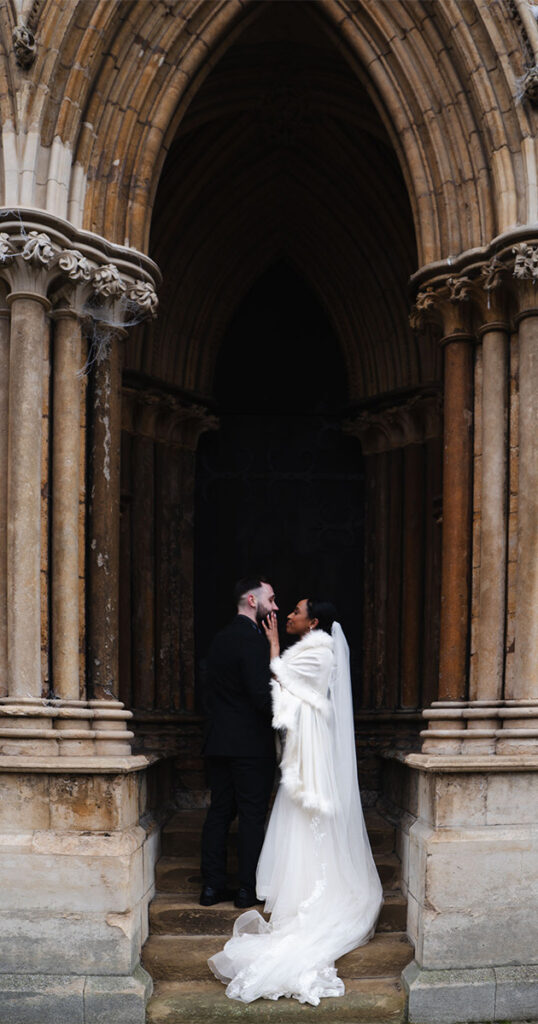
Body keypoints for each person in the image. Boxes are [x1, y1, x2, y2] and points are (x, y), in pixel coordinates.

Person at [208, 597, 384, 1005]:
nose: (287, 615)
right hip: (306, 741)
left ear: (314, 621)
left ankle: (309, 892)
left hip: (311, 749)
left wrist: (271, 642)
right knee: (298, 815)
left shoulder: (319, 650)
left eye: (296, 611)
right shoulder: (316, 647)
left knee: (306, 815)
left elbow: (279, 678)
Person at [200, 576, 279, 909]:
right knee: (250, 816)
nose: (274, 607)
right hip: (249, 747)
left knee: (219, 813)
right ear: (251, 600)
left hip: (218, 742)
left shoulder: (218, 639)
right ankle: (247, 889)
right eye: (271, 600)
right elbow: (262, 698)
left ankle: (211, 888)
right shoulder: (253, 640)